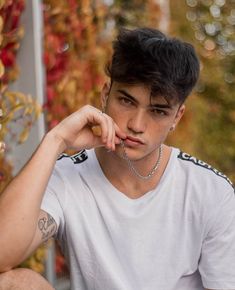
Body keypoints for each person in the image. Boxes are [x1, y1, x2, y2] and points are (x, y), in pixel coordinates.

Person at [0, 27, 234, 290]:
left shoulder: (210, 192)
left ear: (176, 117)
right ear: (105, 94)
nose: (136, 124)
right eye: (126, 101)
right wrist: (56, 140)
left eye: (157, 111)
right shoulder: (67, 176)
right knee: (14, 283)